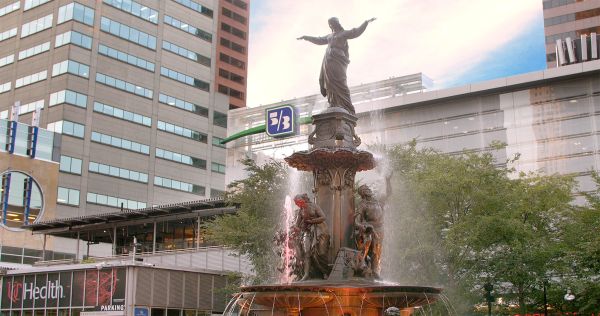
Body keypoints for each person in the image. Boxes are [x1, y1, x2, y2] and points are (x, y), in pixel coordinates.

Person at [297, 17, 376, 115]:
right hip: (328, 61)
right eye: (329, 24)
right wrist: (306, 37)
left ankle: (346, 105)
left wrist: (366, 22)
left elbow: (356, 32)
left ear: (337, 23)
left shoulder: (344, 33)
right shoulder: (329, 36)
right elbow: (319, 40)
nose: (331, 25)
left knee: (340, 81)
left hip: (338, 59)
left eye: (332, 23)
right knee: (330, 82)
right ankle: (333, 103)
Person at [292, 193, 330, 280]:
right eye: (297, 204)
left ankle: (325, 271)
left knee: (320, 253)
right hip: (307, 232)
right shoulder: (300, 211)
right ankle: (306, 274)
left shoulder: (314, 206)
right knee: (307, 253)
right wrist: (295, 228)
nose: (298, 205)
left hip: (319, 230)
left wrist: (312, 221)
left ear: (303, 200)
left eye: (299, 202)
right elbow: (297, 224)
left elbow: (323, 217)